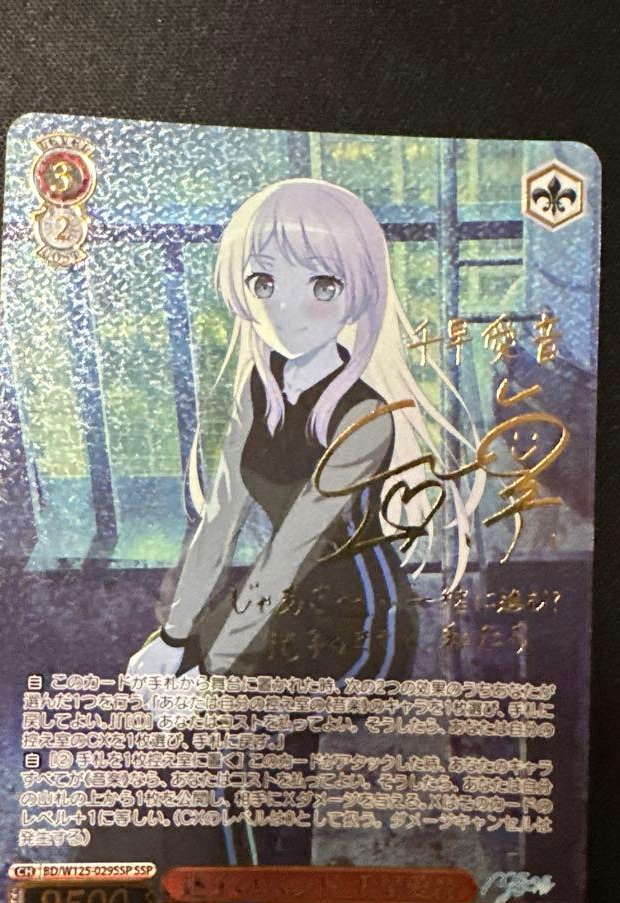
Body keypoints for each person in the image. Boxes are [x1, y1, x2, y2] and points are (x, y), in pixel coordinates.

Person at [127, 177, 481, 685]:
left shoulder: (364, 414)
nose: (286, 309)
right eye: (263, 283)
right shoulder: (259, 388)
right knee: (162, 689)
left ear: (359, 293)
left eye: (323, 286)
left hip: (356, 619)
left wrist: (212, 669)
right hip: (271, 600)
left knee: (227, 708)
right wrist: (174, 635)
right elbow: (220, 519)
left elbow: (293, 549)